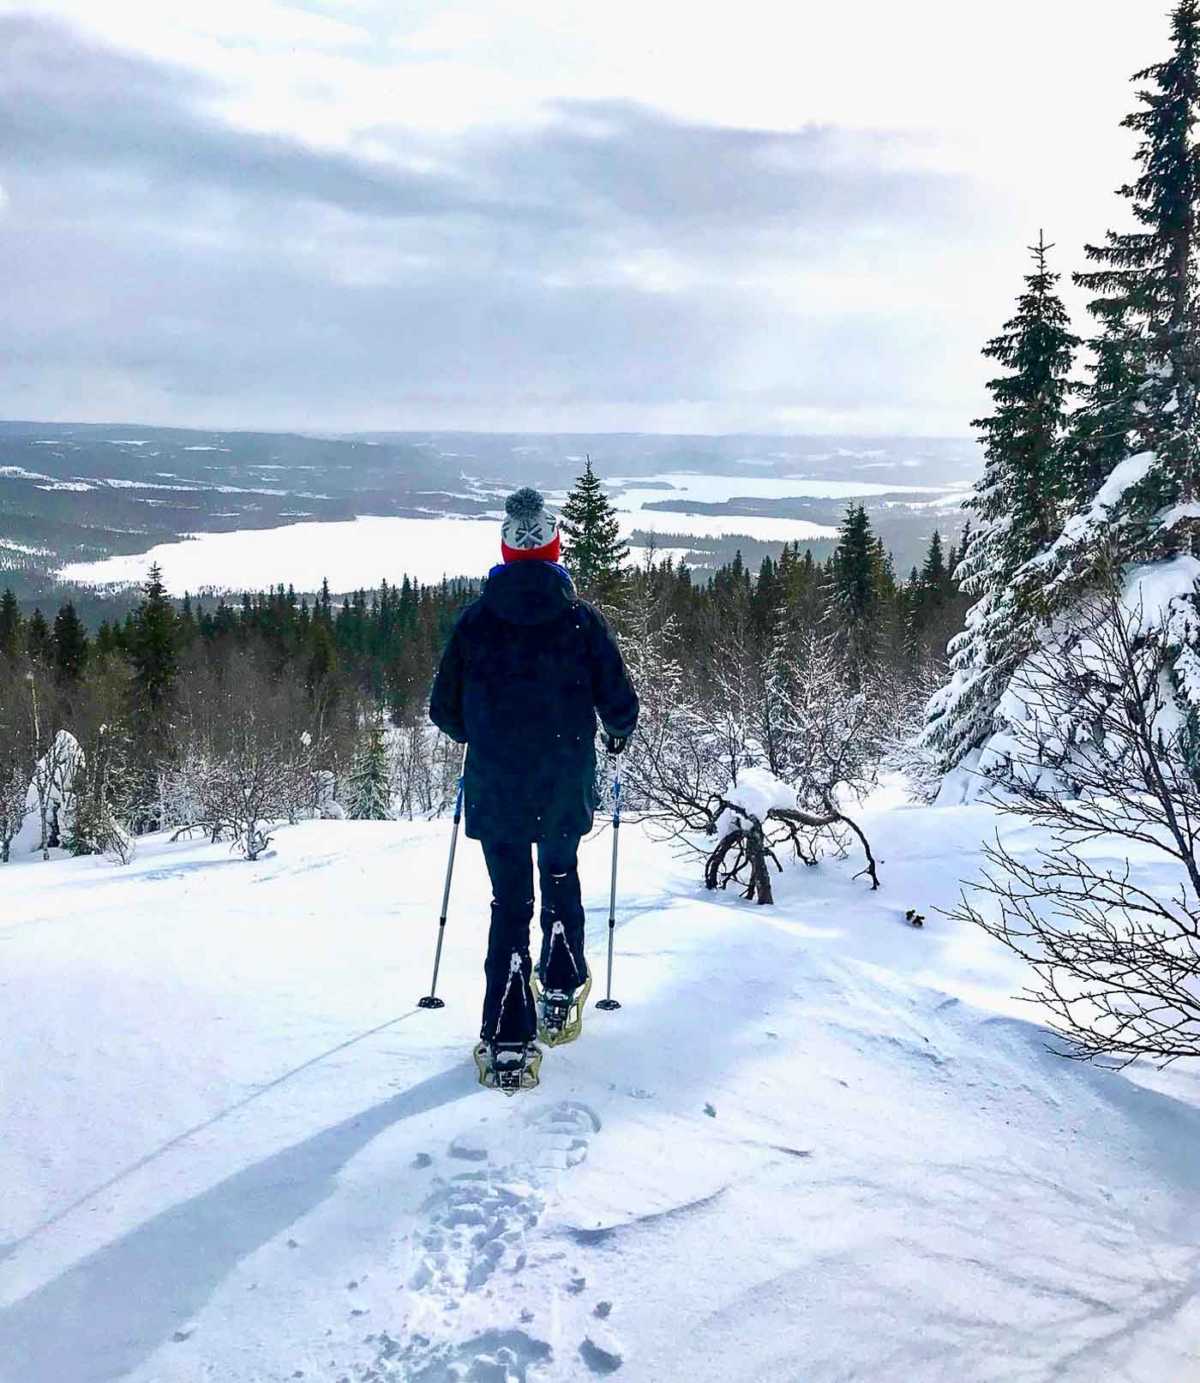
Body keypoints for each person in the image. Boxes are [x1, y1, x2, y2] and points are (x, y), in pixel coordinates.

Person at [429, 487, 639, 1089]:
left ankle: (508, 1033)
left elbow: (444, 710)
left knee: (510, 903)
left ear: (504, 549)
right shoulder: (580, 620)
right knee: (560, 876)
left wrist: (484, 733)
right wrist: (615, 734)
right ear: (554, 547)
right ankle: (563, 983)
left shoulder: (475, 621)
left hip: (497, 788)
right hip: (562, 783)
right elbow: (620, 703)